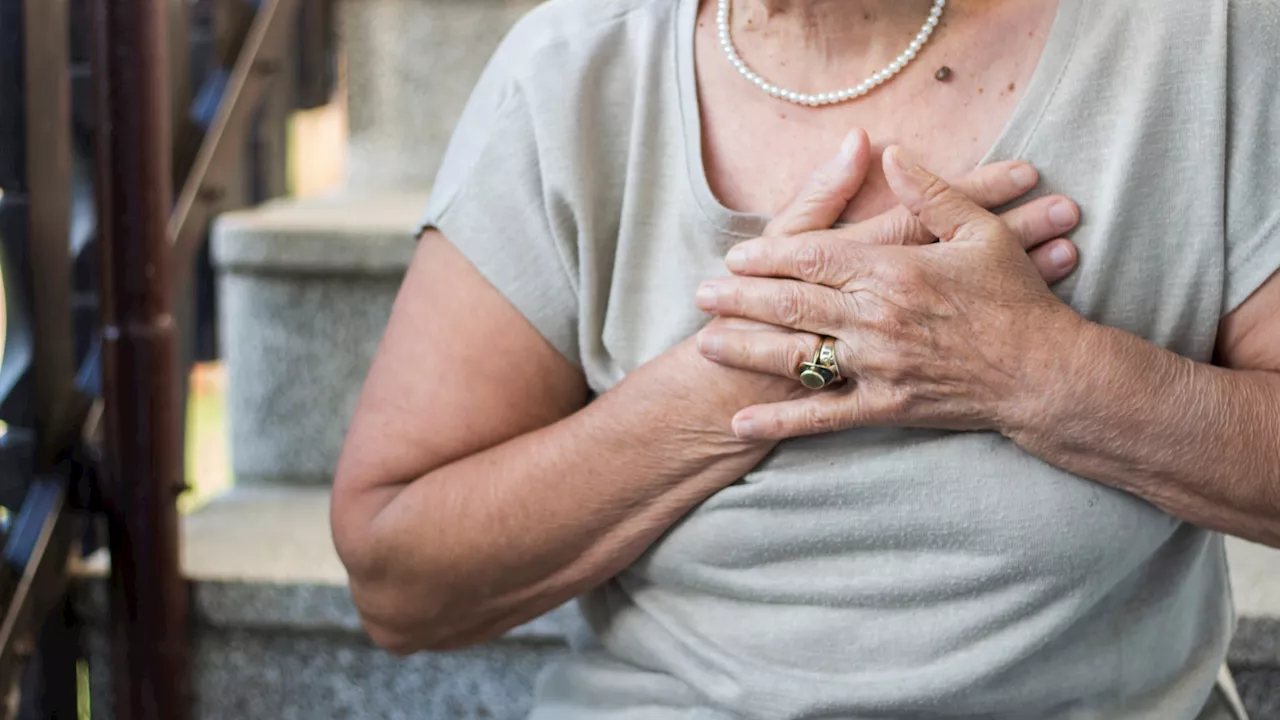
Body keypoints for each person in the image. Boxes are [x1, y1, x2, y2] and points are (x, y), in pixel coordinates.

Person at [330, 0, 1280, 717]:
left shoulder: (1202, 35)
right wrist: (750, 369)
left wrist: (1038, 373)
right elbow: (400, 577)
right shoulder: (574, 71)